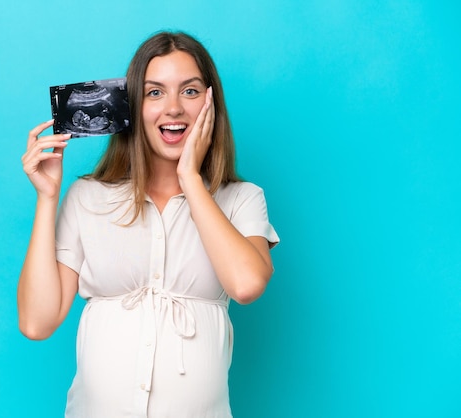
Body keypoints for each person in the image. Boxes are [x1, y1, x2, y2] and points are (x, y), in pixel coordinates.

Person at [18, 31, 279, 418]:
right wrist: (47, 197)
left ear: (210, 102)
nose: (173, 108)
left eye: (189, 91)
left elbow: (246, 285)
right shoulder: (88, 197)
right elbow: (37, 322)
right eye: (155, 92)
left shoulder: (242, 198)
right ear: (133, 106)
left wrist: (191, 178)